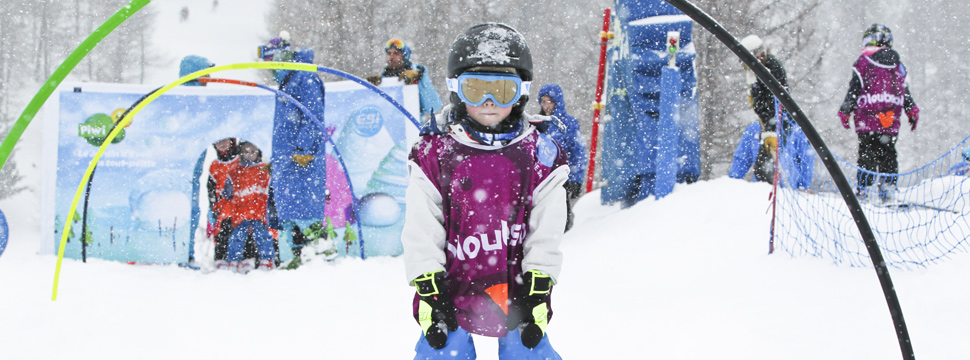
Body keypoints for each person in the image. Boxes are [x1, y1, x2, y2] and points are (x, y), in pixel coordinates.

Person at [402, 23, 566, 359]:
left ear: (521, 92)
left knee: (527, 349)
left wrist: (538, 283)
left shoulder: (539, 155)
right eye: (475, 89)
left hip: (517, 284)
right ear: (456, 90)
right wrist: (429, 286)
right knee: (444, 349)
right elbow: (421, 225)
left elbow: (547, 228)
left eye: (502, 91)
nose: (489, 103)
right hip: (451, 285)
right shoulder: (437, 152)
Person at [261, 34, 329, 266]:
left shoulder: (304, 78)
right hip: (287, 162)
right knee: (290, 214)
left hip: (302, 161)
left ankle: (321, 254)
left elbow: (313, 118)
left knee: (306, 212)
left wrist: (304, 147)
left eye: (270, 61)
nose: (268, 68)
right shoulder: (287, 82)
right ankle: (297, 259)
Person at [838, 24, 919, 201]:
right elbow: (904, 91)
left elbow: (854, 89)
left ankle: (863, 190)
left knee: (866, 156)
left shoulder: (863, 63)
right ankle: (888, 190)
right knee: (888, 155)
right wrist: (911, 110)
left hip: (866, 119)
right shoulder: (898, 65)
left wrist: (845, 110)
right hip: (889, 120)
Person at [537, 84, 587, 231]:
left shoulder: (568, 123)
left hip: (561, 177)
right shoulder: (537, 123)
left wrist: (576, 179)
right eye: (543, 101)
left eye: (549, 101)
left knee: (561, 215)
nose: (546, 106)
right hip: (541, 178)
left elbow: (578, 151)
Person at [740, 34, 787, 183]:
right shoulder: (756, 71)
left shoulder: (770, 70)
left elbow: (772, 103)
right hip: (769, 122)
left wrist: (771, 127)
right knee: (762, 167)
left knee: (765, 167)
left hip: (777, 123)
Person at [224, 141, 276, 273]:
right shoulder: (235, 170)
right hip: (241, 211)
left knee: (263, 236)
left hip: (259, 210)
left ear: (258, 152)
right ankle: (234, 260)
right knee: (237, 237)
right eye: (246, 151)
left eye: (253, 151)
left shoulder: (264, 169)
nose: (249, 155)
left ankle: (267, 259)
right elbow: (228, 190)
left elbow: (272, 187)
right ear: (241, 153)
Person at [365, 38, 443, 119]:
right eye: (389, 53)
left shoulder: (417, 74)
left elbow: (434, 107)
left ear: (404, 56)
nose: (391, 57)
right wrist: (373, 89)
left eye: (396, 53)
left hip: (413, 127)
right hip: (389, 128)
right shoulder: (382, 80)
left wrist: (420, 79)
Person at [207, 138, 238, 269]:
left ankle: (240, 257)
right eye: (218, 142)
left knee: (240, 232)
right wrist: (213, 204)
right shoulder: (215, 165)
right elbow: (210, 187)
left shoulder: (240, 160)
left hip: (239, 204)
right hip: (222, 206)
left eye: (225, 141)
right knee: (222, 233)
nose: (222, 144)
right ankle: (221, 258)